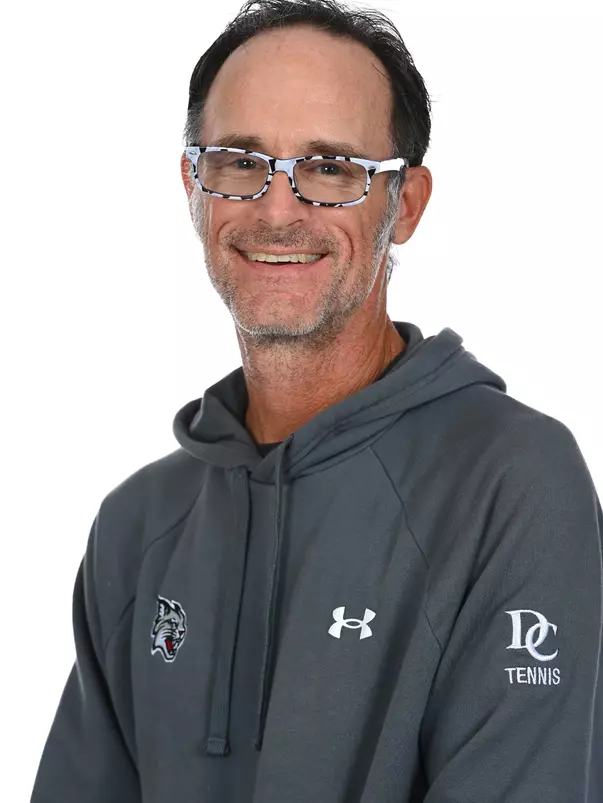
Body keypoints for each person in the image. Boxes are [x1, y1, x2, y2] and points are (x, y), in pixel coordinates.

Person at [31, 0, 602, 801]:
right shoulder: (137, 525)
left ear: (404, 204)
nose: (277, 209)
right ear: (192, 185)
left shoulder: (510, 484)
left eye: (331, 168)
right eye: (239, 161)